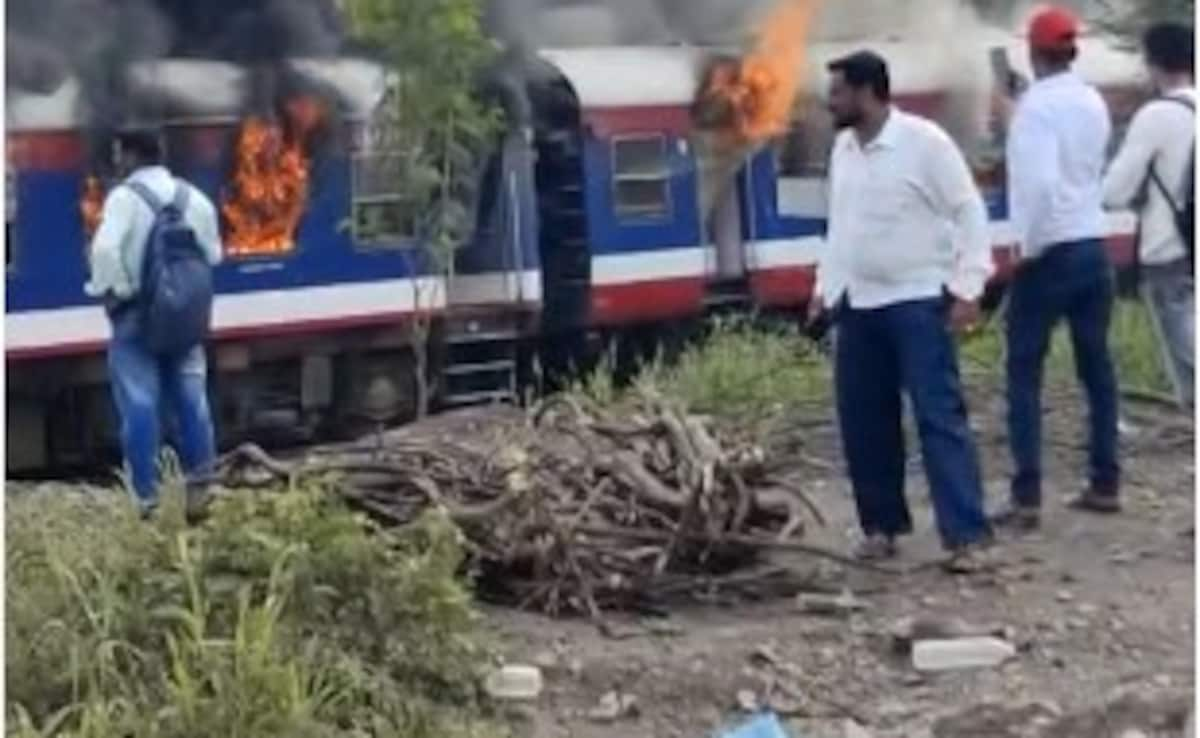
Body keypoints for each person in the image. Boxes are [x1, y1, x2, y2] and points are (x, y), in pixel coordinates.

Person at [808, 50, 994, 572]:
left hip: (916, 301)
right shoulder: (843, 149)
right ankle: (882, 527)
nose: (832, 102)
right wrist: (825, 287)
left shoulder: (924, 143)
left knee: (939, 417)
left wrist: (967, 287)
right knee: (864, 423)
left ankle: (966, 535)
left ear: (868, 92)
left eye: (839, 91)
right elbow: (840, 226)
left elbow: (968, 211)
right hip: (859, 305)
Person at [998, 5, 1119, 529]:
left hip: (1050, 253)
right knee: (1097, 369)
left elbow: (1042, 187)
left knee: (1024, 372)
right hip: (1094, 245)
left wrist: (1026, 246)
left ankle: (1027, 495)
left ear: (1032, 51)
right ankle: (1105, 481)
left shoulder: (1034, 109)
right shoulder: (1092, 101)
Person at [85, 127, 223, 521]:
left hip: (137, 320)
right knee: (194, 405)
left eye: (118, 155)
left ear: (129, 156)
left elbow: (106, 249)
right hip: (186, 322)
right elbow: (213, 255)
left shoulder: (125, 199)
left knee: (141, 406)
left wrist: (119, 289)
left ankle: (146, 501)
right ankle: (202, 491)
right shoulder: (194, 198)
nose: (116, 163)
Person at [1103, 22, 1195, 408]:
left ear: (1153, 63)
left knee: (1188, 366)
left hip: (1170, 248)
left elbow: (1113, 192)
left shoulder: (1157, 115)